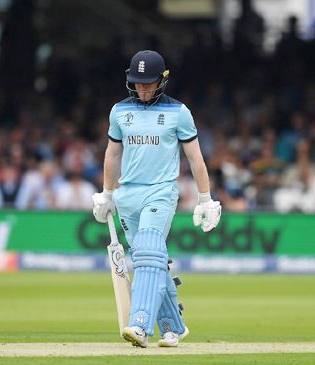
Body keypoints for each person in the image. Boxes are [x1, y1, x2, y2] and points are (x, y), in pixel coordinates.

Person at [92, 50, 222, 348]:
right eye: (138, 83)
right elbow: (113, 154)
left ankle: (139, 325)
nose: (142, 89)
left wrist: (206, 198)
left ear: (163, 80)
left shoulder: (179, 112)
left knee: (149, 252)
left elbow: (196, 158)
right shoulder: (118, 111)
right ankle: (172, 326)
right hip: (128, 196)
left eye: (149, 83)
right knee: (149, 261)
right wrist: (107, 192)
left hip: (160, 192)